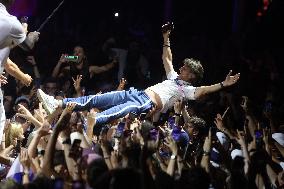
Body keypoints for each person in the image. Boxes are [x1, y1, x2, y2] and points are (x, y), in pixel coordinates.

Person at [37, 23, 240, 134]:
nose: (181, 67)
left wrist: (222, 84)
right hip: (135, 93)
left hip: (144, 103)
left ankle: (76, 137)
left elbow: (203, 91)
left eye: (186, 68)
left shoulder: (186, 90)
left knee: (103, 117)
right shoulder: (174, 78)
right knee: (95, 101)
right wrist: (166, 38)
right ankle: (57, 102)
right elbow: (167, 58)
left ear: (192, 76)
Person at [0, 0, 39, 141]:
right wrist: (31, 36)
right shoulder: (10, 21)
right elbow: (28, 45)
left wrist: (23, 77)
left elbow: (7, 62)